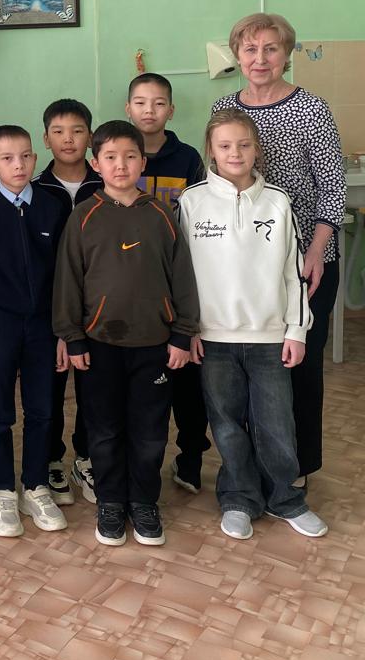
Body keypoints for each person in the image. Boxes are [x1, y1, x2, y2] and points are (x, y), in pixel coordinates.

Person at [177, 112, 327, 539]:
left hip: (270, 339)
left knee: (277, 425)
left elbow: (293, 273)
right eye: (225, 146)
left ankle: (285, 498)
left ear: (256, 149)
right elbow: (181, 276)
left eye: (244, 145)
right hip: (213, 339)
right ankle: (239, 498)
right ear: (211, 150)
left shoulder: (278, 201)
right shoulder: (191, 202)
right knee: (226, 425)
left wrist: (296, 330)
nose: (235, 153)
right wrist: (189, 330)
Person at [211, 13, 346, 484]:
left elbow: (333, 187)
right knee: (251, 368)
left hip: (305, 261)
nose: (260, 58)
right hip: (246, 264)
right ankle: (251, 463)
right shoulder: (225, 106)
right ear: (237, 55)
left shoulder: (311, 108)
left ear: (286, 53)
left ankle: (296, 467)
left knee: (299, 363)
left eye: (270, 48)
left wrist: (317, 250)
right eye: (250, 49)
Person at [53, 120, 199, 547]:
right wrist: (72, 336)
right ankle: (111, 501)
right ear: (96, 163)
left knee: (150, 430)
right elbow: (68, 282)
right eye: (111, 157)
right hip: (99, 346)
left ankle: (144, 501)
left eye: (130, 156)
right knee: (104, 429)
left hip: (155, 346)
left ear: (143, 162)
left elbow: (183, 278)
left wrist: (182, 333)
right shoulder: (83, 216)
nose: (121, 165)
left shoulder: (162, 215)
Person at [0, 125, 68, 537]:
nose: (18, 165)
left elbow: (65, 276)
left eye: (25, 156)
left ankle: (35, 486)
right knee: (0, 412)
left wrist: (64, 333)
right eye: (7, 158)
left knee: (43, 410)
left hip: (44, 328)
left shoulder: (52, 207)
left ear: (35, 158)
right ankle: (3, 490)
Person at [125, 72, 210, 496]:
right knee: (146, 384)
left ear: (171, 111)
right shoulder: (120, 153)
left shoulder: (188, 158)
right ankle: (138, 465)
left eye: (159, 103)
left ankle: (190, 458)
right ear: (128, 109)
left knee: (189, 380)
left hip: (181, 277)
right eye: (141, 103)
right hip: (135, 285)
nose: (149, 111)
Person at [36, 98, 102, 506]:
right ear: (46, 139)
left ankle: (87, 457)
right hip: (49, 309)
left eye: (77, 131)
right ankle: (51, 459)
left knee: (94, 389)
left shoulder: (106, 185)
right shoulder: (34, 189)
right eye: (58, 132)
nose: (68, 139)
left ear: (90, 137)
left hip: (99, 309)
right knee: (50, 389)